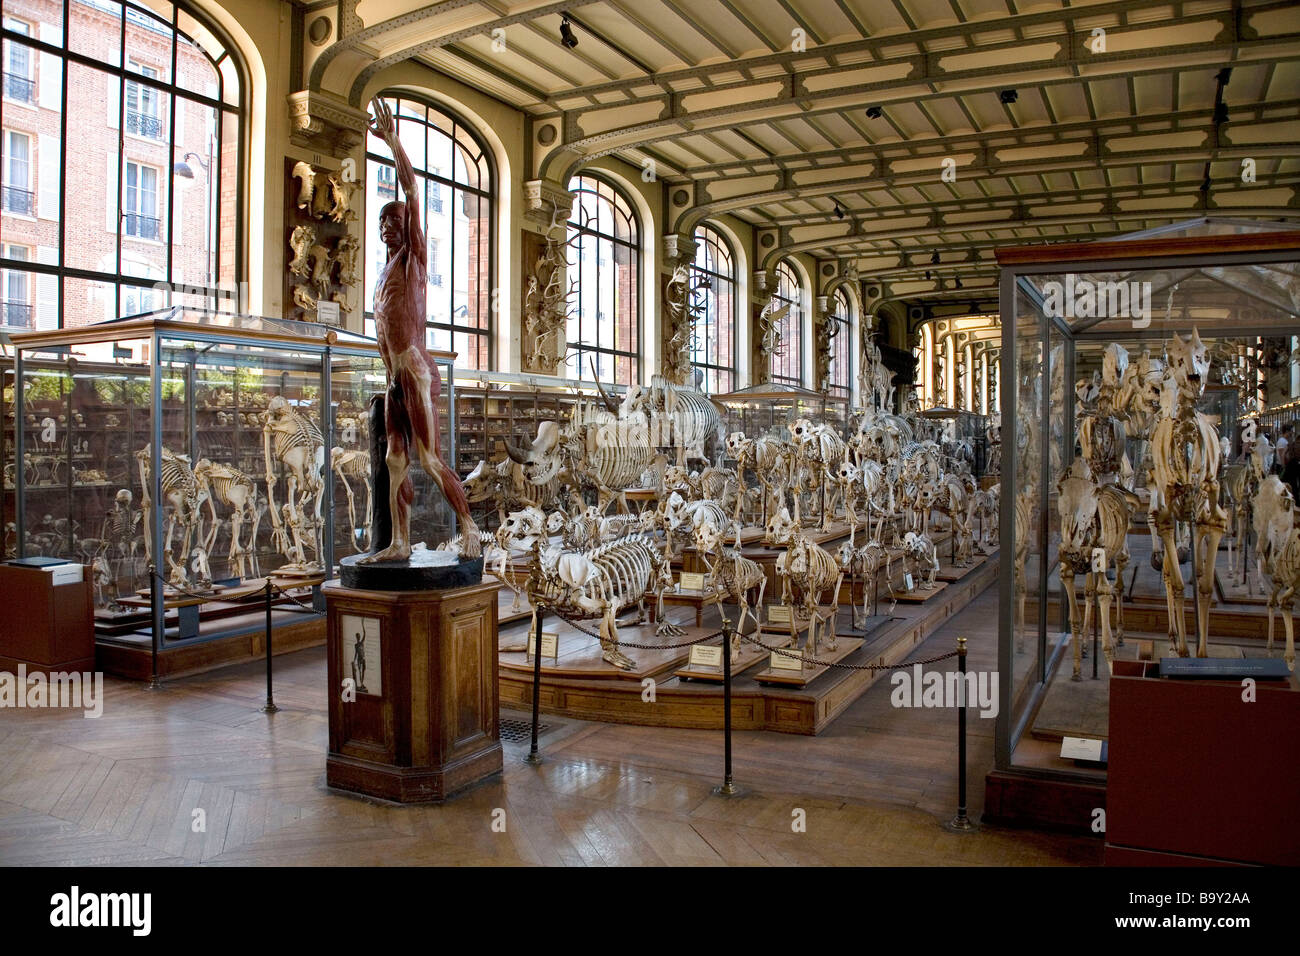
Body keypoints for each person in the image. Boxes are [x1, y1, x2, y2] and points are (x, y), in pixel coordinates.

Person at [359, 98, 480, 562]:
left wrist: (394, 143)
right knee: (394, 461)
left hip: (415, 367)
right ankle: (399, 542)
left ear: (407, 227)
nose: (388, 226)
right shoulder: (384, 273)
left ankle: (469, 527)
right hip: (393, 374)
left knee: (429, 459)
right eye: (382, 221)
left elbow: (411, 188)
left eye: (395, 221)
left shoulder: (413, 261)